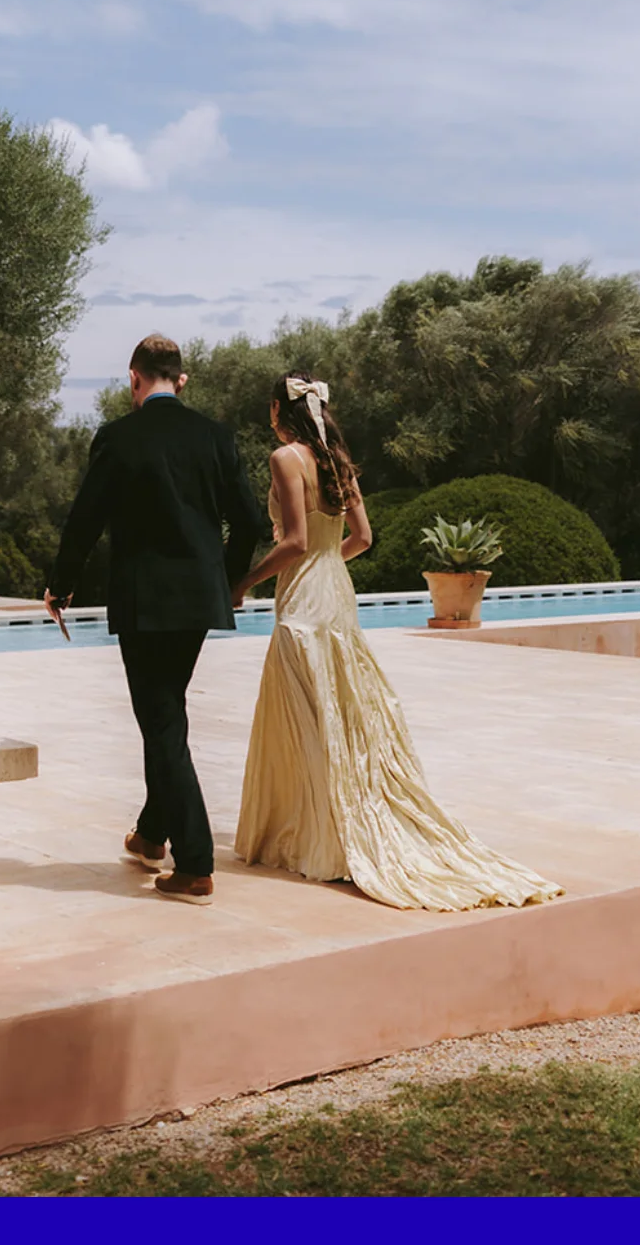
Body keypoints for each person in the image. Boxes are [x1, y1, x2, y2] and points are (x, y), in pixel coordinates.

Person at [233, 373, 562, 911]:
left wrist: (241, 583)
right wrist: (325, 564)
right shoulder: (337, 460)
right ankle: (332, 826)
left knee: (305, 716)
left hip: (303, 603)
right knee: (340, 713)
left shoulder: (284, 458)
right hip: (336, 594)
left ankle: (316, 836)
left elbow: (293, 541)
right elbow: (362, 538)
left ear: (277, 410)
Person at [46, 334, 267, 905]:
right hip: (198, 600)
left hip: (144, 603)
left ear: (133, 379)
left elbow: (85, 520)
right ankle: (150, 835)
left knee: (163, 720)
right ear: (182, 380)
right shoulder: (216, 437)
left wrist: (60, 584)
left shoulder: (119, 438)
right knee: (166, 710)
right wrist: (230, 580)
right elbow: (248, 522)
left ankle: (195, 864)